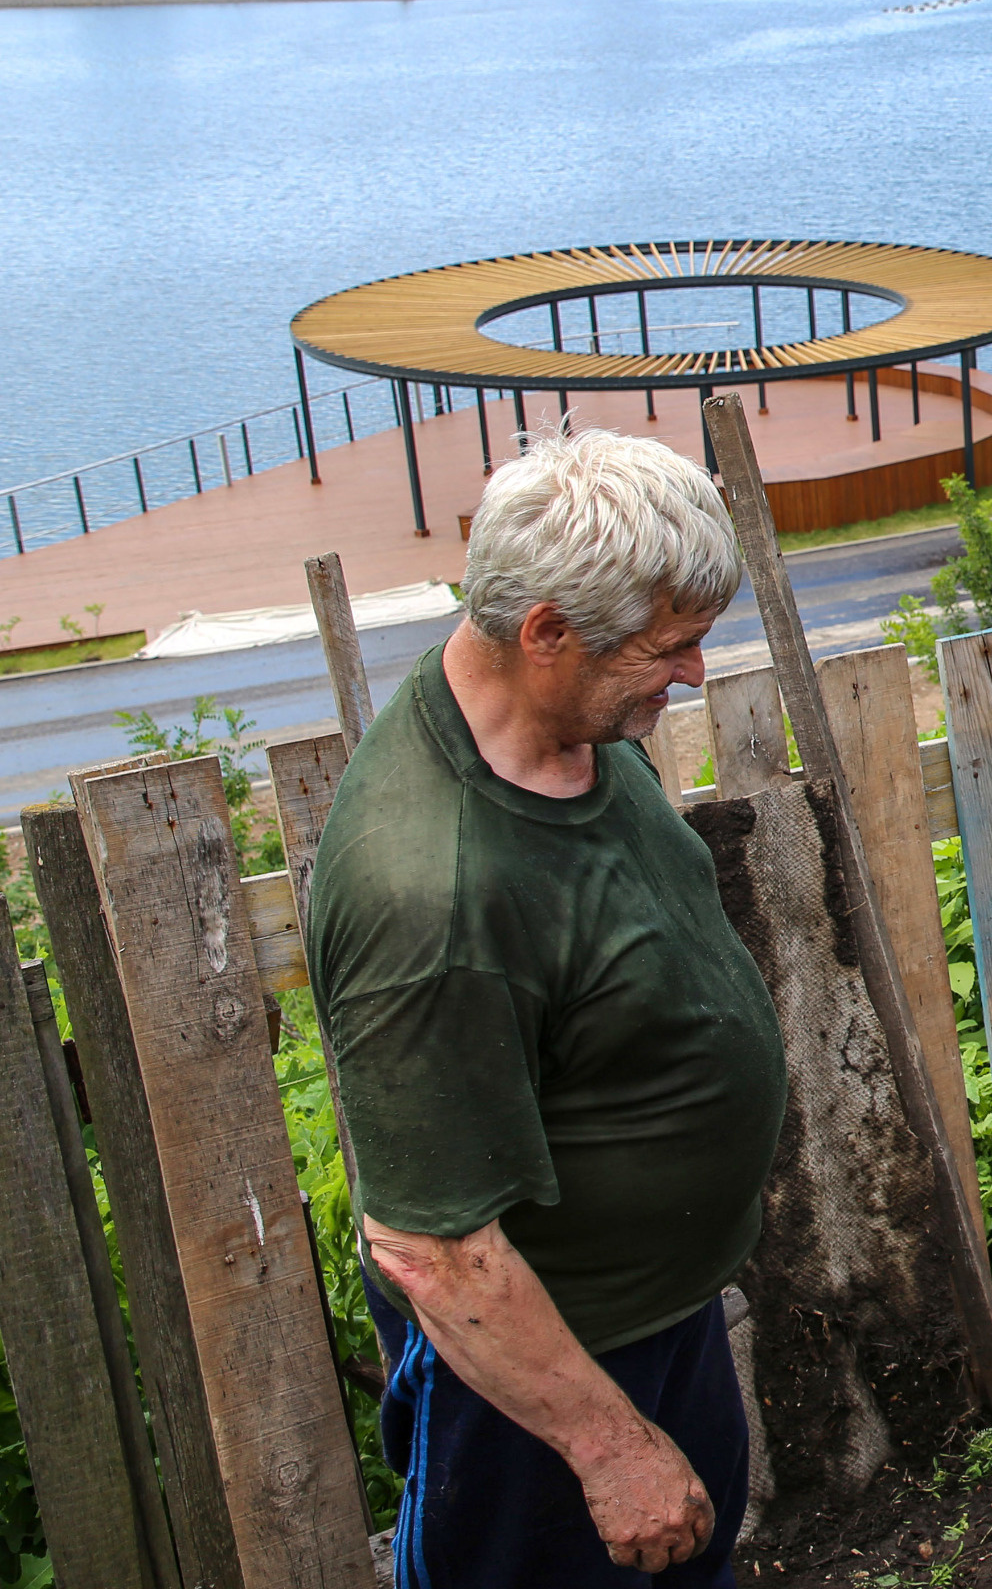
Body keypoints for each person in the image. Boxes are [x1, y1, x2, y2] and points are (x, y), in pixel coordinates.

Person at [307, 428, 786, 1588]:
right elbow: (432, 1247)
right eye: (669, 648)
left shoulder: (566, 721)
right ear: (546, 631)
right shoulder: (430, 891)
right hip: (536, 1378)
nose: (693, 676)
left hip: (650, 1310)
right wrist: (608, 1446)